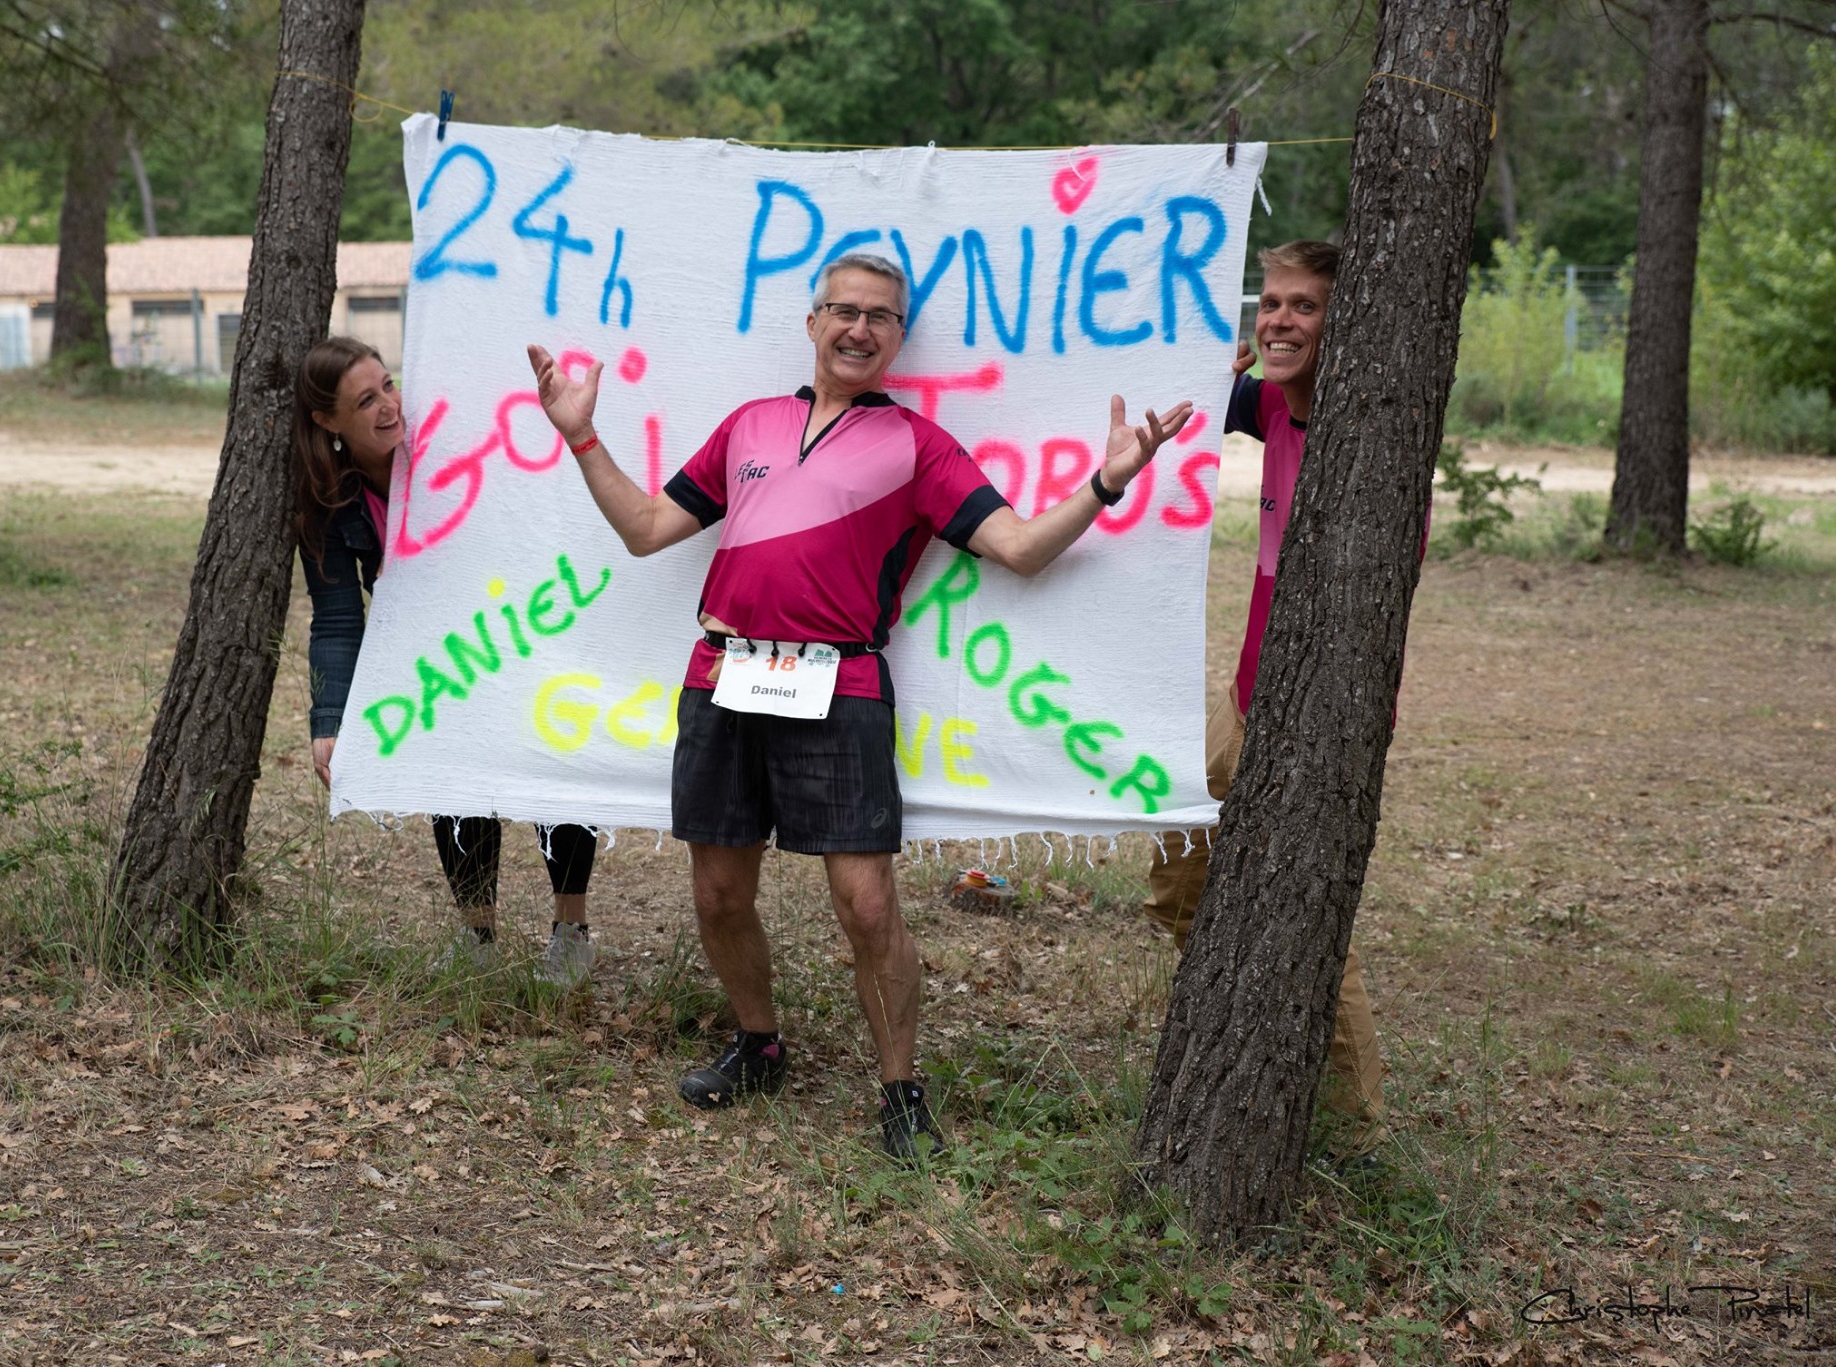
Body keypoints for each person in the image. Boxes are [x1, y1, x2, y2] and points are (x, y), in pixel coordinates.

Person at [527, 254, 1192, 1160]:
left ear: (897, 339)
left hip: (841, 684)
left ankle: (902, 1089)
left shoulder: (919, 445)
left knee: (868, 904)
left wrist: (1108, 479)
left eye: (881, 317)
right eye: (844, 309)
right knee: (720, 892)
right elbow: (648, 531)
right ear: (811, 322)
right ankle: (758, 1045)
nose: (860, 327)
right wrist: (581, 436)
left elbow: (1024, 548)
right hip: (722, 672)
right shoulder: (748, 424)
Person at [1142, 240, 1388, 1152]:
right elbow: (1185, 394)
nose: (1278, 319)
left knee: (1305, 918)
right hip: (1244, 697)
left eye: (1304, 307)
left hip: (1312, 714)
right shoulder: (1274, 405)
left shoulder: (1368, 437)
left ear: (1350, 325)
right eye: (1270, 302)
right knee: (1176, 884)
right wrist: (1220, 365)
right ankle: (1241, 1040)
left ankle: (1353, 1134)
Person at [293, 336, 600, 987]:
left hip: (521, 629)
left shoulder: (445, 448)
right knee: (453, 782)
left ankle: (571, 933)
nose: (387, 407)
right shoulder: (329, 501)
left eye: (388, 386)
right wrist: (330, 718)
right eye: (364, 400)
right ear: (328, 421)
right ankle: (477, 939)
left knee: (553, 770)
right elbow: (340, 619)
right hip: (437, 661)